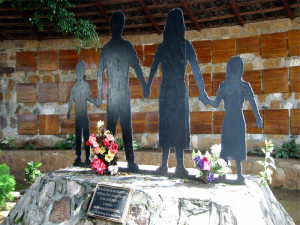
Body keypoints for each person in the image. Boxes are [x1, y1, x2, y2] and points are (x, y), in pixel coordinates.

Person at [145, 8, 210, 178]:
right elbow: (196, 70)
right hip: (178, 91)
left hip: (167, 91)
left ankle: (165, 165)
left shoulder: (164, 46)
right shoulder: (186, 45)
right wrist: (202, 92)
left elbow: (153, 68)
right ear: (181, 25)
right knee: (178, 126)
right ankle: (179, 166)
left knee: (167, 125)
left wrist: (147, 86)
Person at [96, 11, 148, 172]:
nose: (116, 27)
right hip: (115, 95)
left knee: (125, 128)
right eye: (115, 24)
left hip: (121, 95)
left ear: (120, 26)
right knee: (113, 130)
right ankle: (110, 161)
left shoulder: (125, 47)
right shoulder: (112, 48)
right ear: (112, 27)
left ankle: (129, 161)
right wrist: (99, 95)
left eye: (118, 25)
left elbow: (137, 67)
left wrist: (145, 86)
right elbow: (99, 73)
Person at [209, 56, 263, 183]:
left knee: (227, 145)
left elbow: (216, 104)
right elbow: (253, 103)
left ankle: (224, 175)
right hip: (238, 119)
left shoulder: (224, 85)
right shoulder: (244, 86)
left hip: (229, 119)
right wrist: (258, 118)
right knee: (236, 145)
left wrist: (206, 100)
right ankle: (238, 175)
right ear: (240, 69)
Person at [67, 60, 99, 166]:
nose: (80, 73)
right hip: (78, 115)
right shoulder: (75, 87)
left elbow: (88, 97)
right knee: (78, 136)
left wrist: (95, 101)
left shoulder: (85, 85)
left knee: (86, 136)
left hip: (84, 115)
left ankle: (87, 157)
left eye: (81, 71)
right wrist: (68, 111)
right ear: (77, 73)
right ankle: (79, 157)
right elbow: (71, 99)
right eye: (78, 71)